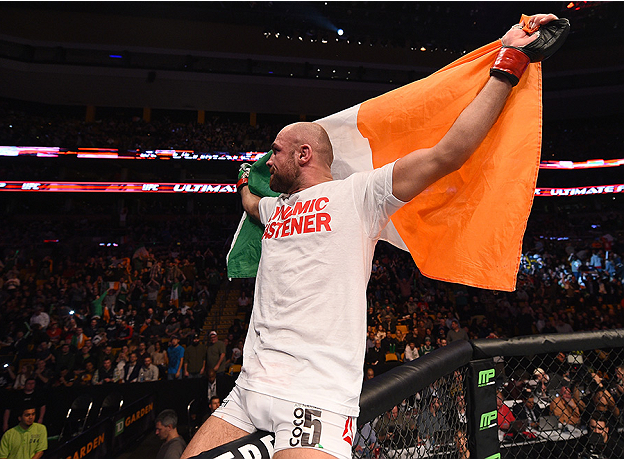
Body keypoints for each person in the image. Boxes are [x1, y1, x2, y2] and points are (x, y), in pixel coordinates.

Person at [182, 13, 566, 459]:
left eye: (276, 152)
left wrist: (511, 58)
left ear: (305, 154)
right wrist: (247, 182)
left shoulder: (360, 194)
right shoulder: (274, 207)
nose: (269, 162)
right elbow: (251, 203)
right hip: (247, 390)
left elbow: (451, 151)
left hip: (315, 399)